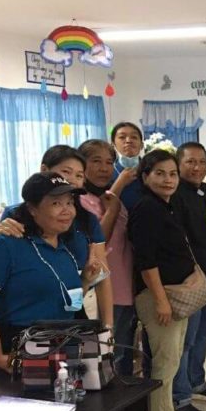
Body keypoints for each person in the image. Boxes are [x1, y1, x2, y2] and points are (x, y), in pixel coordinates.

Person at [0, 172, 101, 379]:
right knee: (29, 407)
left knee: (68, 407)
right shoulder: (6, 244)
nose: (66, 210)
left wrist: (85, 279)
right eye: (56, 204)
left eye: (70, 203)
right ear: (32, 209)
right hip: (23, 343)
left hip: (65, 342)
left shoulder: (65, 248)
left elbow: (71, 305)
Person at [0, 145, 113, 330]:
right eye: (66, 172)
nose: (72, 180)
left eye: (79, 175)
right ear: (44, 170)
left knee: (76, 354)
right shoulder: (17, 214)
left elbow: (101, 276)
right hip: (27, 313)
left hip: (73, 305)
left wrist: (107, 326)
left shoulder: (86, 220)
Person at [129, 150, 195, 411]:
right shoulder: (146, 209)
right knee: (165, 364)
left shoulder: (165, 206)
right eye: (160, 173)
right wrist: (160, 301)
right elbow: (146, 261)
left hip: (175, 296)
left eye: (172, 174)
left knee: (171, 360)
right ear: (145, 176)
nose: (168, 179)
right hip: (160, 298)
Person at [170, 142, 206, 411]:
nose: (197, 167)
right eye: (191, 162)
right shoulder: (174, 194)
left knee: (203, 335)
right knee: (186, 341)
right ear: (179, 164)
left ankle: (197, 381)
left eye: (202, 162)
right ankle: (180, 397)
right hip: (190, 281)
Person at [78, 139, 135, 376]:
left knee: (123, 350)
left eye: (109, 162)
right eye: (96, 162)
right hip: (103, 288)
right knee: (105, 353)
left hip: (126, 282)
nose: (104, 168)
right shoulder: (80, 202)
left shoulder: (107, 197)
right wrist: (114, 202)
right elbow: (102, 238)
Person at [110, 122, 144, 212]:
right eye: (122, 137)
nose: (128, 140)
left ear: (142, 145)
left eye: (134, 137)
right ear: (113, 144)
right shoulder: (107, 171)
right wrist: (120, 182)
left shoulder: (151, 170)